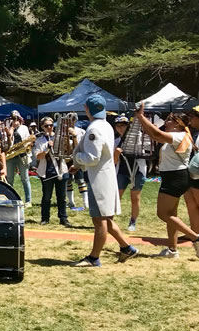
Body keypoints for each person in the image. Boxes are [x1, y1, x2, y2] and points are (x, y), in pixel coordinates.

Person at [71, 95, 139, 266]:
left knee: (99, 219)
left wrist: (76, 158)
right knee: (106, 219)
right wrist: (78, 165)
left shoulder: (93, 129)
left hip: (98, 179)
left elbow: (92, 158)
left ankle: (94, 257)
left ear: (87, 109)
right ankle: (126, 247)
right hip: (106, 175)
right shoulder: (107, 125)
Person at [134, 106, 199, 258]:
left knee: (163, 214)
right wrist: (142, 121)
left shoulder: (179, 136)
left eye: (169, 120)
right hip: (175, 177)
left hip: (174, 178)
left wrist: (141, 117)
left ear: (177, 123)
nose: (166, 122)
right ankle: (172, 250)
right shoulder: (179, 135)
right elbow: (155, 135)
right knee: (171, 214)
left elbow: (156, 134)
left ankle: (195, 238)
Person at [33, 117, 71, 227]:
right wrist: (47, 149)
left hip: (61, 170)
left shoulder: (60, 138)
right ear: (42, 127)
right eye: (46, 126)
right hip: (46, 172)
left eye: (51, 125)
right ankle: (45, 218)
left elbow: (68, 151)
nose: (49, 127)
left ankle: (63, 218)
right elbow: (38, 156)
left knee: (62, 197)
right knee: (46, 197)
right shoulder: (39, 140)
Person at [112, 114, 145, 231]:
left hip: (138, 170)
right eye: (118, 125)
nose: (121, 128)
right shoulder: (116, 141)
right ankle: (110, 219)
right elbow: (114, 161)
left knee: (135, 197)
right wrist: (116, 154)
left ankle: (133, 221)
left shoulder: (139, 138)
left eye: (124, 125)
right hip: (122, 171)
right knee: (117, 195)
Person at [4, 112, 32, 205]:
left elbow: (28, 140)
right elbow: (7, 140)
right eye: (13, 118)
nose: (15, 120)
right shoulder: (7, 128)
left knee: (25, 178)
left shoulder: (24, 128)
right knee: (9, 179)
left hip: (22, 155)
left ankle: (28, 200)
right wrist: (12, 127)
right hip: (10, 156)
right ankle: (9, 199)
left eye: (17, 118)